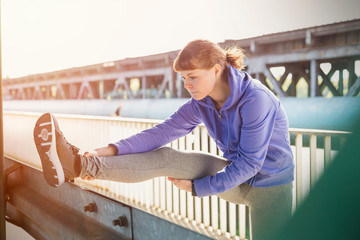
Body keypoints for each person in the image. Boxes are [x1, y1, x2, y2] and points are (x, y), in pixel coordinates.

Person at [33, 39, 295, 240]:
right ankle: (78, 164)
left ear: (216, 70)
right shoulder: (201, 103)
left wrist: (198, 188)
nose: (187, 85)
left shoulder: (255, 100)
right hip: (235, 176)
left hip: (270, 189)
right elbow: (161, 133)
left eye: (193, 77)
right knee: (166, 157)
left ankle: (74, 164)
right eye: (183, 78)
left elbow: (250, 164)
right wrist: (109, 150)